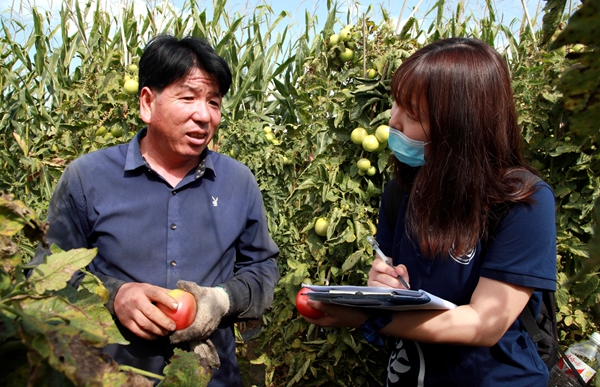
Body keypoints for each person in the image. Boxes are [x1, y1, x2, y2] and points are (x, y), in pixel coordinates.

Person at [30, 34, 280, 386]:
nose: (204, 115)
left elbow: (263, 267)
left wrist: (221, 300)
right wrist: (115, 295)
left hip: (209, 378)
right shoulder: (89, 178)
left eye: (214, 102)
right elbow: (45, 273)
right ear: (147, 103)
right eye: (188, 97)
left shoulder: (238, 182)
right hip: (107, 376)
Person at [304, 38, 556, 386]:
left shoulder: (523, 203)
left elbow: (484, 323)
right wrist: (381, 285)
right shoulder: (402, 192)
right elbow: (391, 274)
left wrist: (365, 316)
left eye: (413, 115)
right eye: (396, 104)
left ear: (461, 127)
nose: (394, 121)